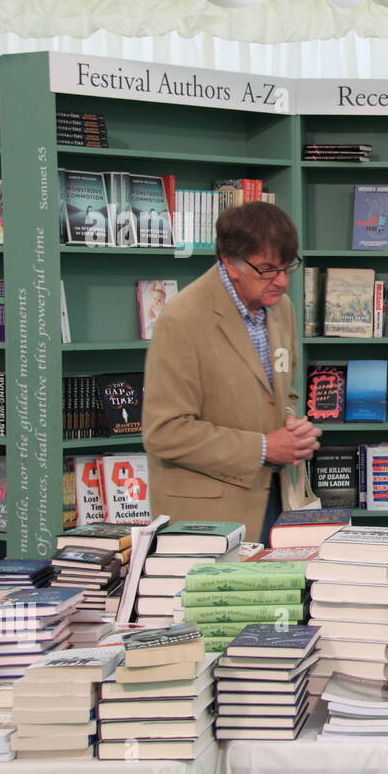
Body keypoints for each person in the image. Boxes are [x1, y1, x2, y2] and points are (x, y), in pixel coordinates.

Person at [143, 201, 321, 543]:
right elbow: (164, 432)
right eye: (268, 269)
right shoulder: (181, 320)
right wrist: (264, 448)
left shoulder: (280, 308)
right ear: (230, 262)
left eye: (288, 267)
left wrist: (290, 424)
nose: (282, 282)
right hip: (208, 518)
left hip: (278, 498)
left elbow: (285, 391)